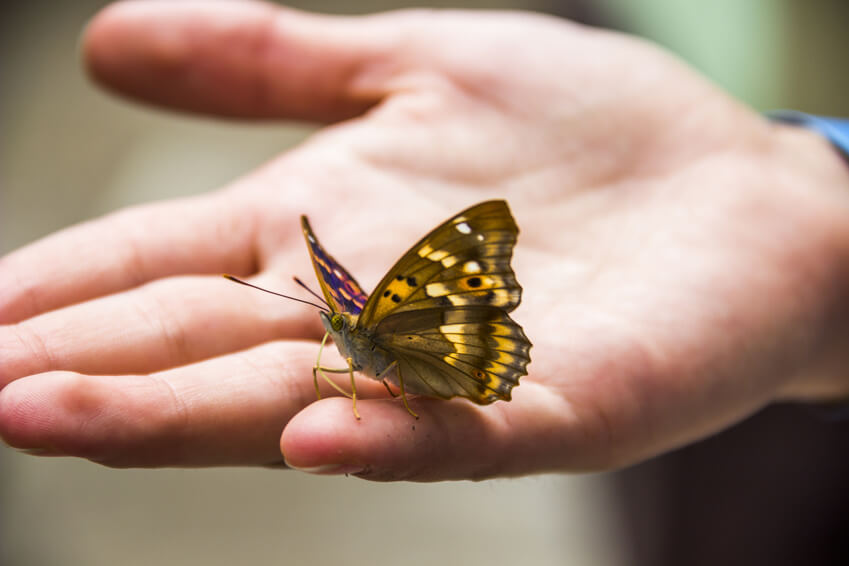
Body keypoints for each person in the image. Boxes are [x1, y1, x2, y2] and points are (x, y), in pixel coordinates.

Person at [0, 0, 847, 481]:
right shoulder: (351, 335)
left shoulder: (369, 332)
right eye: (333, 321)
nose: (330, 334)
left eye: (334, 319)